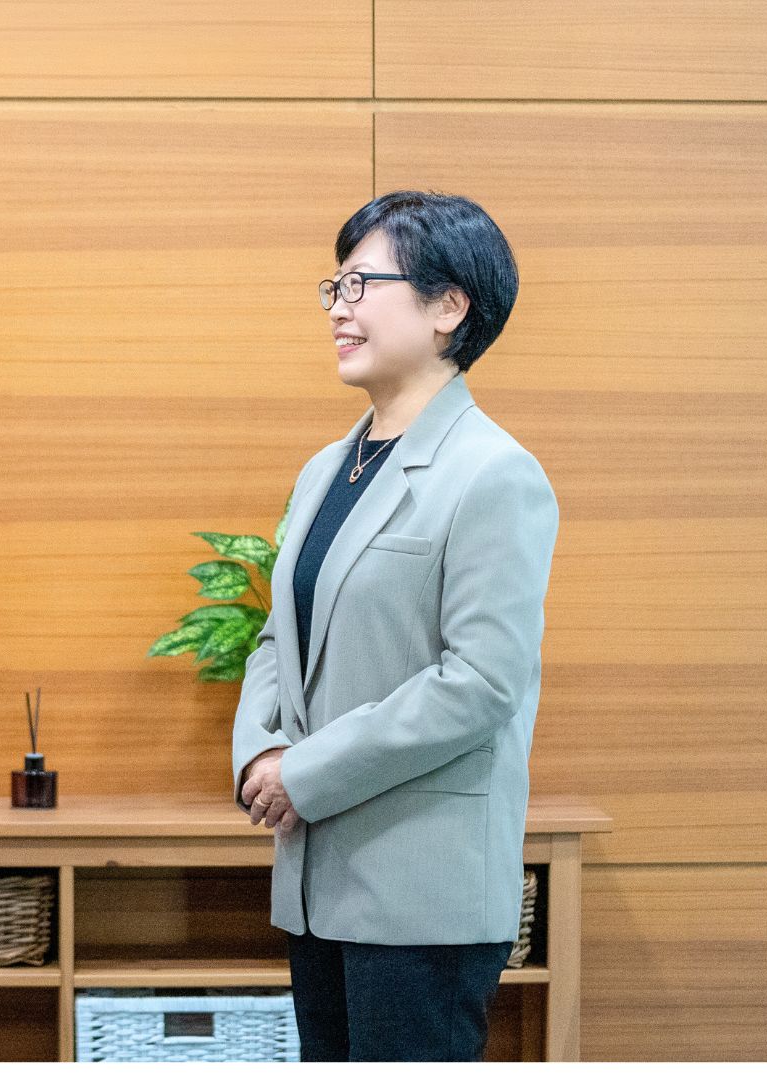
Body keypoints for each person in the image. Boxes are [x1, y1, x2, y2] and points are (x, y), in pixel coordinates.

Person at [231, 191, 557, 1061]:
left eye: (362, 283)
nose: (339, 307)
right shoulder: (325, 469)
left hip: (423, 893)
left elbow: (481, 683)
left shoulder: (494, 474)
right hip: (317, 881)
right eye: (333, 286)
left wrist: (308, 771)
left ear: (450, 306)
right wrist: (260, 751)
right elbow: (276, 638)